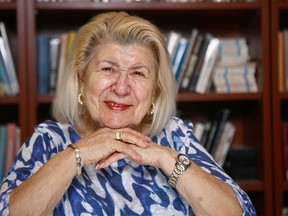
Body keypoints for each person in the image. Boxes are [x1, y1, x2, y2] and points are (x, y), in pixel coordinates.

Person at [0, 11, 256, 215]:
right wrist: (77, 155)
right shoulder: (49, 139)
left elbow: (239, 212)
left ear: (155, 91)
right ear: (81, 81)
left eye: (138, 73)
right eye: (108, 69)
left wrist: (165, 159)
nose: (121, 87)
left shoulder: (174, 135)